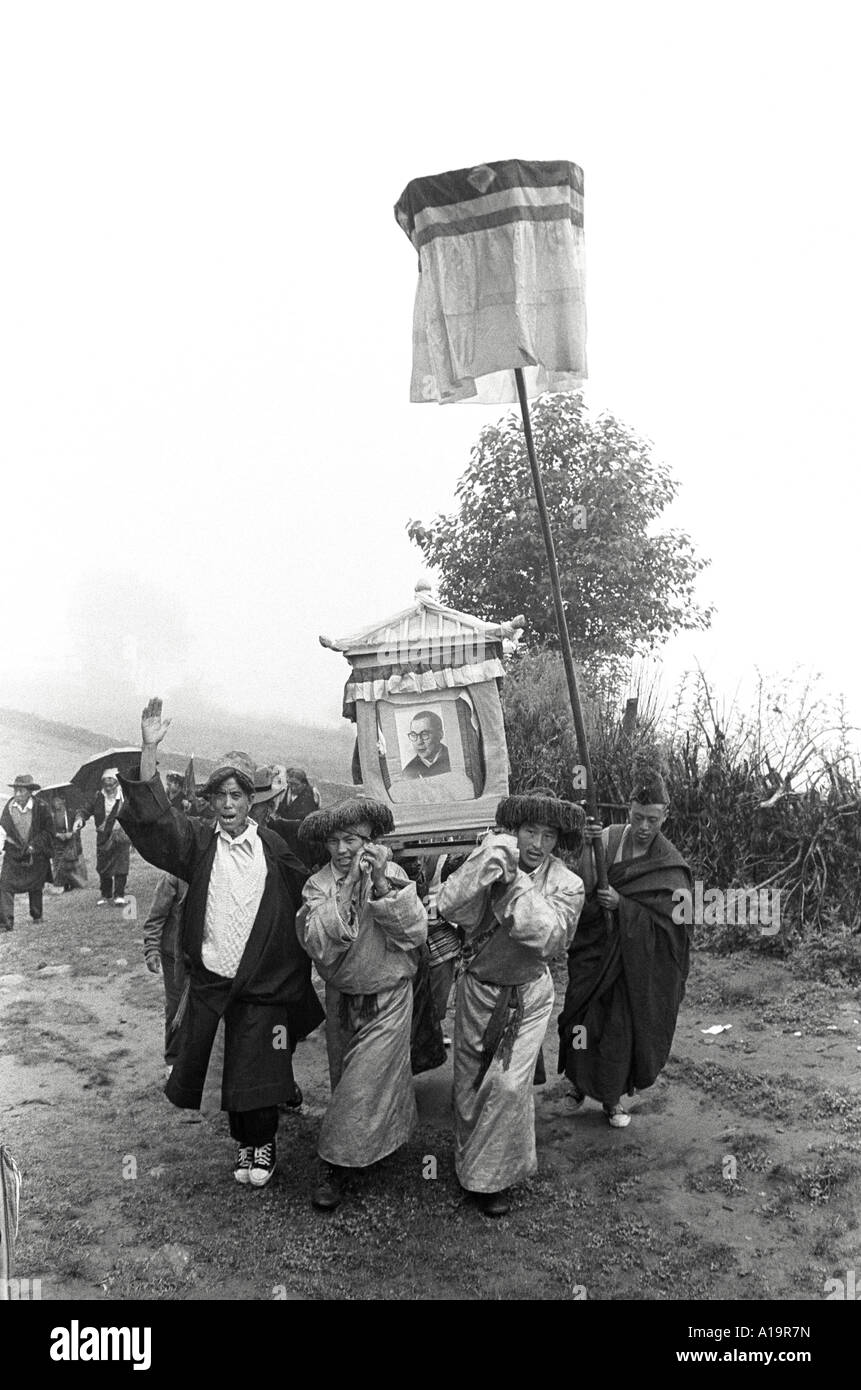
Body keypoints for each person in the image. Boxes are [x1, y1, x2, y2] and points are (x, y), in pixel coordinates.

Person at [118, 698, 323, 1189]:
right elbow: (157, 823)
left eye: (237, 796)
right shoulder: (198, 843)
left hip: (265, 979)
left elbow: (312, 884)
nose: (229, 805)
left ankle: (264, 1142)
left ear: (251, 800)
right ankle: (244, 1143)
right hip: (214, 977)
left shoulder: (275, 846)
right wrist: (149, 749)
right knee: (231, 1063)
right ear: (211, 801)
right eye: (220, 797)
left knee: (265, 1065)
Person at [437, 791, 585, 1216]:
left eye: (548, 835)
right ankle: (471, 1169)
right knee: (468, 1088)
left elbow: (549, 937)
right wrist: (485, 865)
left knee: (505, 1086)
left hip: (528, 997)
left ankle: (493, 1181)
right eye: (529, 831)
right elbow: (449, 905)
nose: (537, 844)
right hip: (478, 990)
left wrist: (513, 883)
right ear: (513, 830)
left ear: (558, 840)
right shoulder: (493, 858)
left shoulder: (567, 884)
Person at [295, 798, 428, 1212]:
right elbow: (316, 942)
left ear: (371, 840)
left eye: (351, 839)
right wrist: (350, 886)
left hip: (388, 997)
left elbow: (415, 934)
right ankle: (369, 1148)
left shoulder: (395, 875)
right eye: (333, 841)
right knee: (347, 1078)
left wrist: (383, 886)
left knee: (363, 1083)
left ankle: (334, 1166)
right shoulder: (318, 885)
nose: (341, 850)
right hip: (343, 999)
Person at [557, 770, 693, 1128]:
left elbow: (674, 928)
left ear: (666, 815)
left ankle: (612, 1099)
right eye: (637, 817)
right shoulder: (608, 837)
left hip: (634, 963)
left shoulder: (670, 863)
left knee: (619, 1028)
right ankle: (576, 1083)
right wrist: (589, 847)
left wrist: (624, 906)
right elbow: (584, 888)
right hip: (596, 950)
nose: (644, 826)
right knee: (582, 1017)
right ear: (627, 810)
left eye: (652, 819)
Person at [142, 872, 188, 1076]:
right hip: (174, 955)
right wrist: (152, 949)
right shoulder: (172, 877)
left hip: (204, 954)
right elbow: (156, 917)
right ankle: (174, 1060)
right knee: (177, 1006)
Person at [0, 775, 55, 931]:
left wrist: (34, 846)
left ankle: (37, 915)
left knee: (36, 885)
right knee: (4, 885)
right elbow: (2, 829)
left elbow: (49, 832)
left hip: (36, 854)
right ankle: (5, 923)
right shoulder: (9, 807)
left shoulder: (42, 807)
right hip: (14, 853)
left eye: (21, 791)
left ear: (30, 792)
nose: (17, 794)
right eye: (15, 791)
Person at [76, 769, 132, 905]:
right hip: (103, 837)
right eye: (105, 781)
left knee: (121, 865)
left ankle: (119, 894)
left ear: (117, 782)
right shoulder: (97, 796)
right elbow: (85, 810)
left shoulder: (125, 797)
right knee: (103, 866)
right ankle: (105, 894)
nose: (108, 785)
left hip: (121, 836)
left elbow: (135, 812)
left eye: (111, 781)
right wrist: (80, 819)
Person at [49, 794, 88, 891]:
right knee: (59, 863)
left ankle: (75, 883)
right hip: (58, 843)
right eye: (54, 802)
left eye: (58, 801)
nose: (56, 804)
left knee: (73, 863)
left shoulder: (71, 812)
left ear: (63, 801)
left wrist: (72, 833)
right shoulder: (51, 815)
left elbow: (79, 822)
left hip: (72, 842)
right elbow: (48, 828)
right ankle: (62, 884)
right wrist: (58, 835)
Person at [402, 711, 452, 779]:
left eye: (424, 734)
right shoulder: (407, 773)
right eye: (414, 735)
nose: (419, 742)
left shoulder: (454, 760)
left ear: (440, 735)